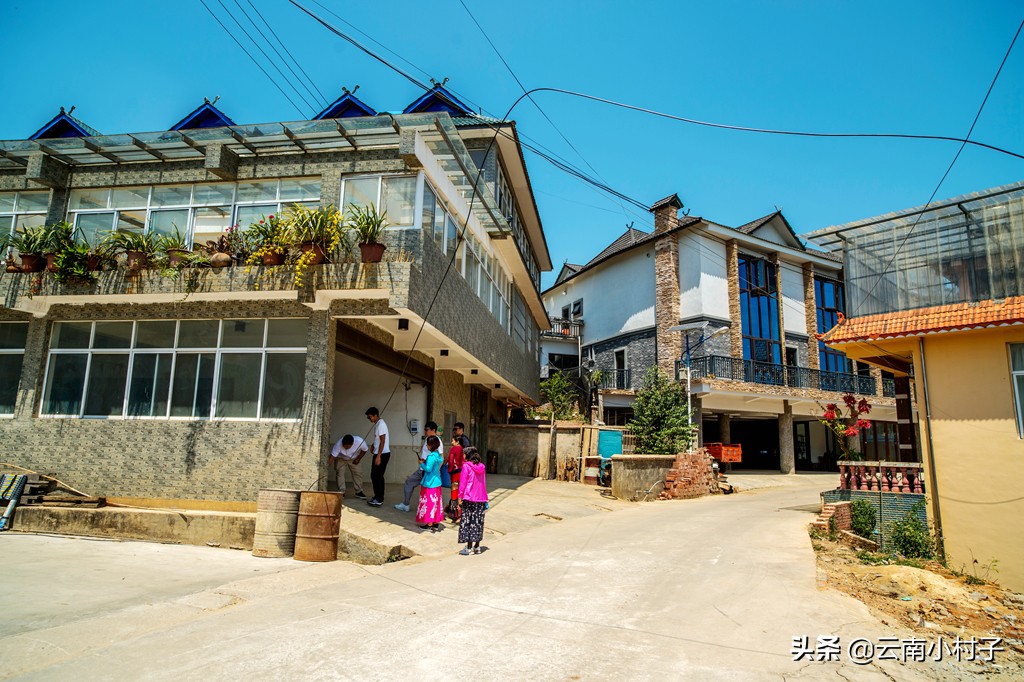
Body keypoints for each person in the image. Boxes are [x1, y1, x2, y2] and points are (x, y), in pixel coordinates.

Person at [395, 421, 443, 512]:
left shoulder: (436, 441)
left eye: (427, 430)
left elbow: (441, 457)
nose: (425, 431)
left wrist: (435, 471)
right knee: (412, 484)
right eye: (424, 430)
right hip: (424, 469)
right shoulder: (428, 439)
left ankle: (426, 512)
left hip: (427, 471)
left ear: (433, 430)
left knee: (426, 492)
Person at [457, 447, 488, 555]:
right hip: (481, 498)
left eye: (464, 454)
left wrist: (460, 497)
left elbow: (463, 483)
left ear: (467, 455)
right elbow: (483, 482)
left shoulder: (466, 466)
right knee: (478, 522)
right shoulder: (482, 467)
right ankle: (477, 547)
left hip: (469, 497)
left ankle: (469, 548)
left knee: (469, 522)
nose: (463, 456)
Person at [416, 435, 445, 532]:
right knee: (436, 503)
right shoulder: (437, 455)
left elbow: (428, 469)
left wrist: (421, 464)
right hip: (437, 482)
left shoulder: (431, 456)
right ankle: (435, 523)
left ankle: (429, 524)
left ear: (430, 445)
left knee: (429, 503)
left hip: (429, 482)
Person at [329, 434, 368, 500]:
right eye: (344, 446)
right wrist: (327, 465)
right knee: (340, 474)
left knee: (358, 474)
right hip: (340, 458)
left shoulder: (360, 441)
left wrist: (359, 458)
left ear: (352, 443)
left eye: (348, 446)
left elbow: (365, 450)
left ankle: (359, 491)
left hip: (354, 458)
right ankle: (341, 491)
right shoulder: (338, 444)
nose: (346, 448)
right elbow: (332, 456)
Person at [365, 407, 390, 507]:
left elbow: (383, 440)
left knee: (377, 476)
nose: (369, 419)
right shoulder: (378, 424)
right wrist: (373, 445)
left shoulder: (381, 424)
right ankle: (378, 496)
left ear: (375, 415)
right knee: (375, 476)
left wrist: (379, 455)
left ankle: (379, 498)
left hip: (382, 454)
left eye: (370, 417)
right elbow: (379, 439)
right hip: (379, 452)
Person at [445, 436, 465, 522]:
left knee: (454, 492)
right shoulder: (463, 449)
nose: (452, 442)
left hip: (455, 473)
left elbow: (450, 460)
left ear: (457, 442)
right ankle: (461, 512)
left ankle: (455, 514)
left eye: (453, 440)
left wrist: (449, 471)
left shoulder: (453, 449)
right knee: (460, 493)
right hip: (462, 473)